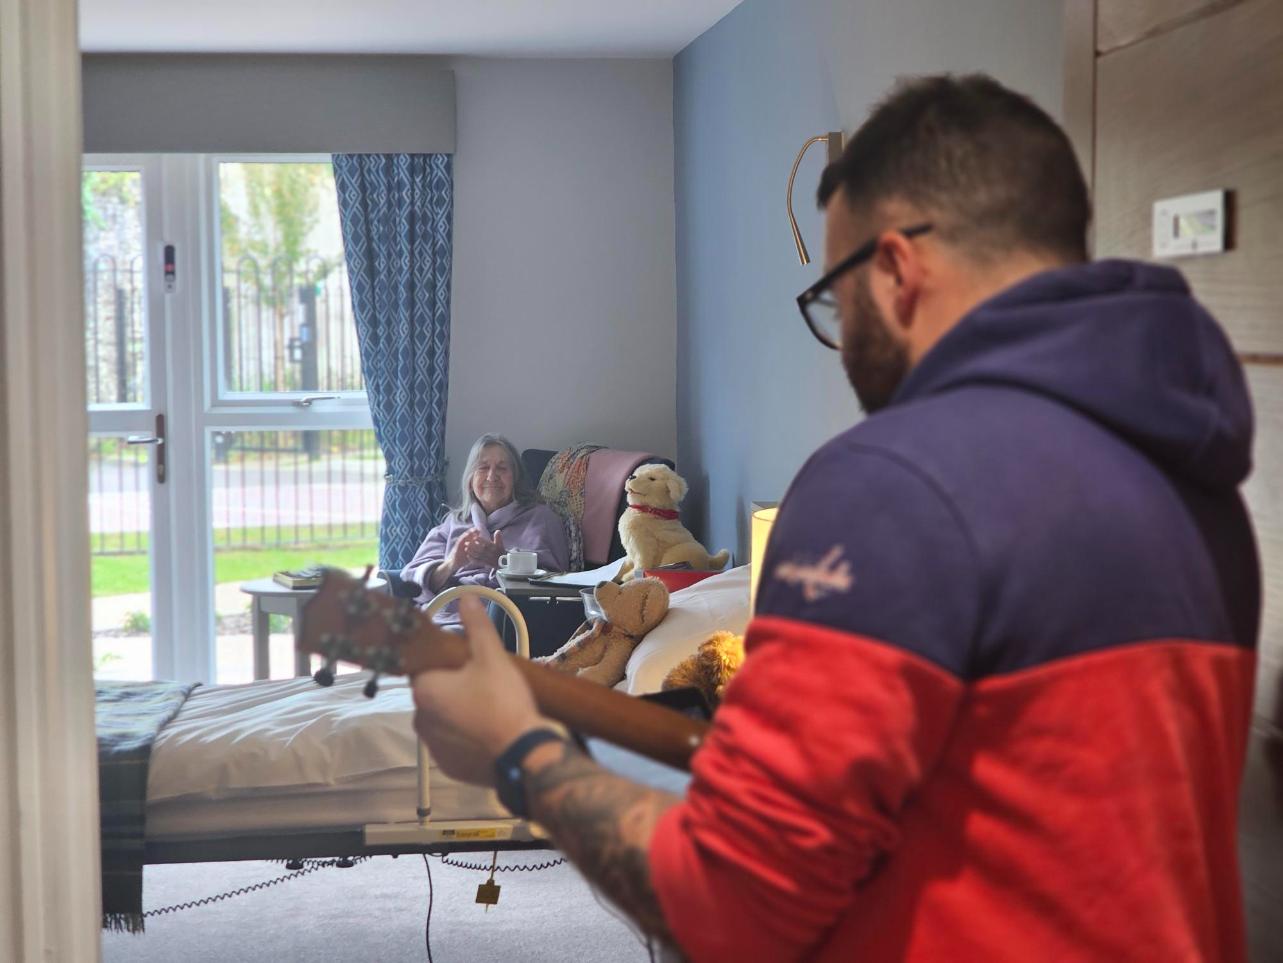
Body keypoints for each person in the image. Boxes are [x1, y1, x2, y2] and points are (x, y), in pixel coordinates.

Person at [410, 74, 1260, 961]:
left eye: (837, 300)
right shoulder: (1193, 480)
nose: (843, 338)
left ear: (894, 268)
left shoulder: (894, 485)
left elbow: (728, 899)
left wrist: (523, 758)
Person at [400, 434, 569, 622]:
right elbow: (410, 581)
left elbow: (558, 587)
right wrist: (451, 564)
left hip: (502, 622)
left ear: (516, 478)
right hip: (440, 616)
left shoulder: (542, 519)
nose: (491, 476)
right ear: (471, 480)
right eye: (483, 467)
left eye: (502, 468)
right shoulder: (453, 522)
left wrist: (503, 561)